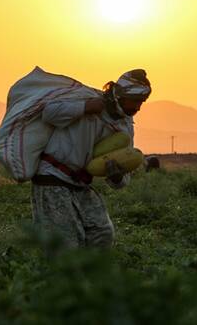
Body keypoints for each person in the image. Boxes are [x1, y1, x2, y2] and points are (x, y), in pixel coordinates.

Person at [31, 69, 151, 247]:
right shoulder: (86, 99)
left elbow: (123, 176)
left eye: (141, 102)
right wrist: (85, 108)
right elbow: (49, 113)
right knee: (66, 245)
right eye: (134, 102)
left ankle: (91, 274)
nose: (137, 108)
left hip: (80, 184)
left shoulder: (125, 127)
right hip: (51, 179)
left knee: (102, 234)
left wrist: (117, 177)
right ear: (119, 95)